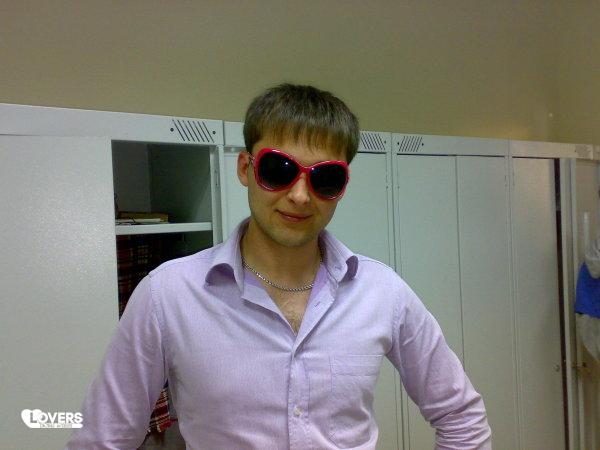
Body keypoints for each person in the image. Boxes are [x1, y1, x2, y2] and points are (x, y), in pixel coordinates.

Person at [66, 83, 492, 449]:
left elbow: (461, 417)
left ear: (342, 187)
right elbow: (104, 438)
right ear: (245, 169)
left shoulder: (384, 292)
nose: (301, 196)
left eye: (325, 178)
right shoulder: (168, 295)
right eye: (278, 169)